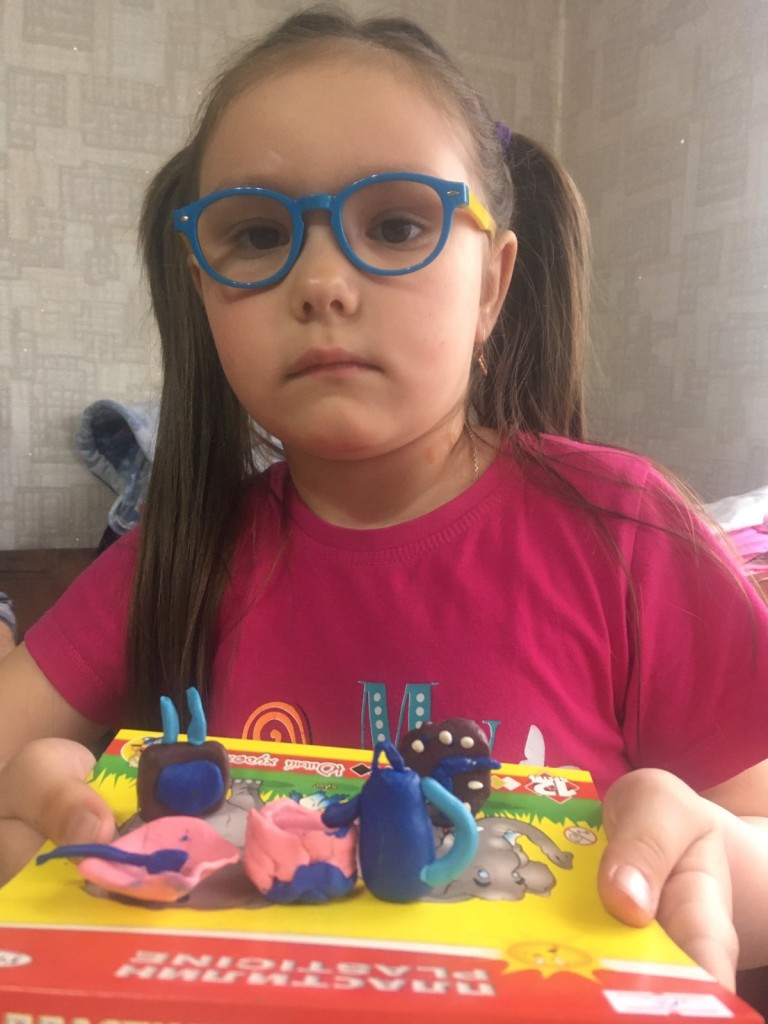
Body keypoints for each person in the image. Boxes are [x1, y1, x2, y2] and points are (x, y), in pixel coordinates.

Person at [0, 5, 767, 993]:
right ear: (202, 290)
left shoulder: (630, 533)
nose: (322, 282)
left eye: (398, 224)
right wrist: (32, 820)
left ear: (491, 287)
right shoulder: (175, 553)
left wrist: (717, 859)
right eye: (257, 233)